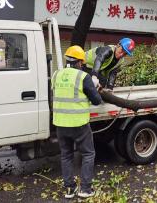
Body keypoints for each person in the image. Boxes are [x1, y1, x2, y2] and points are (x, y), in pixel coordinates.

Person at [51, 45, 102, 199]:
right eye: (82, 62)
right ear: (79, 62)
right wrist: (95, 88)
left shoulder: (56, 74)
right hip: (78, 124)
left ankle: (70, 189)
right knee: (88, 154)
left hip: (60, 124)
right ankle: (85, 189)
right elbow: (97, 101)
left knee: (66, 155)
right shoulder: (83, 77)